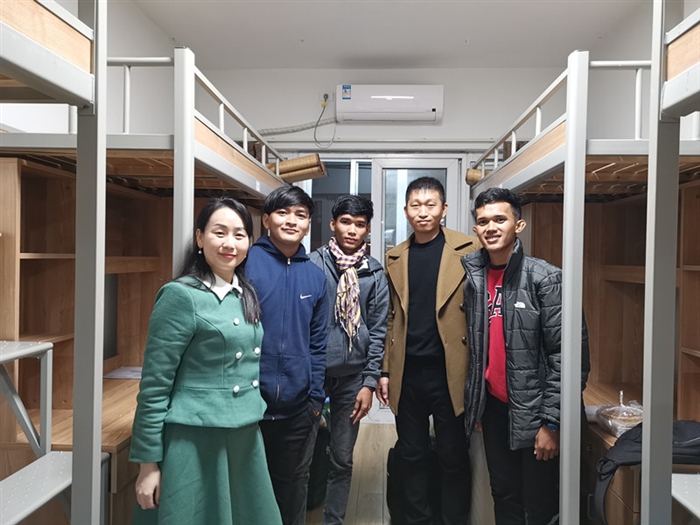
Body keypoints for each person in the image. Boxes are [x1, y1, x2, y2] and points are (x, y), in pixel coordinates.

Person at [130, 197, 282, 525]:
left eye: (240, 235)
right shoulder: (181, 295)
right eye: (219, 232)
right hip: (194, 441)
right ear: (200, 238)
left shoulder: (244, 292)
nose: (230, 243)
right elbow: (155, 385)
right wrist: (148, 464)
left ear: (250, 242)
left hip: (243, 436)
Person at [462, 187, 590, 525]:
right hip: (495, 409)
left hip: (536, 413)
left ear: (519, 225)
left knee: (540, 505)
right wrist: (478, 404)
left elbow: (568, 356)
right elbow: (476, 349)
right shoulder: (473, 278)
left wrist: (552, 423)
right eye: (483, 221)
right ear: (475, 229)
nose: (491, 227)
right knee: (504, 495)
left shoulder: (546, 279)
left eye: (499, 219)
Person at [376, 177, 480, 525]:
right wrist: (385, 370)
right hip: (407, 373)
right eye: (416, 205)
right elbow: (392, 317)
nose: (423, 212)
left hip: (451, 372)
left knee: (453, 455)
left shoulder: (468, 249)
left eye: (430, 204)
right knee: (412, 453)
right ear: (406, 211)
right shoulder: (395, 256)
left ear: (444, 209)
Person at [246, 185, 329, 525]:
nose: (292, 221)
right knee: (249, 485)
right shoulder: (245, 263)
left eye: (301, 215)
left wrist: (315, 399)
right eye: (282, 213)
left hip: (299, 408)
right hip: (248, 403)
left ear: (308, 224)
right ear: (266, 220)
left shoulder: (316, 277)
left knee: (294, 485)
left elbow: (318, 344)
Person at [309, 195, 389, 525]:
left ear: (368, 229)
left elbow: (379, 330)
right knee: (302, 458)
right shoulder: (312, 265)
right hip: (313, 375)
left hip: (353, 379)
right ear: (333, 224)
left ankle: (333, 520)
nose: (352, 230)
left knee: (342, 459)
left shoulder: (374, 273)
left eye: (360, 224)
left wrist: (369, 383)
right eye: (346, 222)